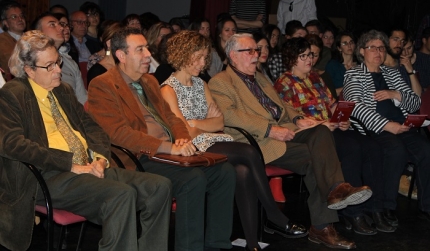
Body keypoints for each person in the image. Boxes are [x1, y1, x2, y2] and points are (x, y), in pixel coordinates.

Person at [0, 30, 172, 251]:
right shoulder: (13, 95)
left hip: (87, 166)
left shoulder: (63, 90)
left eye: (58, 62)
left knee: (159, 186)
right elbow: (11, 144)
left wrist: (100, 159)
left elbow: (94, 129)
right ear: (29, 70)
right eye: (49, 66)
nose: (58, 70)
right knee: (120, 195)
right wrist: (70, 164)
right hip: (47, 174)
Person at [208, 33, 372, 249]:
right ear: (232, 55)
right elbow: (229, 115)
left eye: (256, 50)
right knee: (317, 159)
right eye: (250, 51)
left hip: (287, 129)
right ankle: (323, 226)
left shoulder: (260, 77)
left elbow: (280, 105)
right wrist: (269, 129)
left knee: (321, 133)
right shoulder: (221, 81)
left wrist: (297, 118)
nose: (256, 55)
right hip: (259, 141)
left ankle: (337, 189)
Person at [87, 27, 236, 251]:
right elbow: (118, 134)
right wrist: (168, 147)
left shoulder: (149, 81)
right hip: (139, 156)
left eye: (147, 47)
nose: (148, 54)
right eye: (140, 49)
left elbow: (172, 118)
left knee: (224, 173)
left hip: (167, 152)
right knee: (192, 179)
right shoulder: (103, 85)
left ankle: (218, 245)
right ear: (121, 55)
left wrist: (183, 140)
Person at [160, 30, 307, 251]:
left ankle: (252, 243)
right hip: (193, 147)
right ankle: (273, 214)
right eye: (199, 57)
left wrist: (196, 123)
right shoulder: (168, 89)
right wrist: (200, 124)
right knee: (249, 151)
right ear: (183, 55)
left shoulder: (201, 84)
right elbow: (184, 132)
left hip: (214, 139)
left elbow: (219, 122)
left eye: (205, 57)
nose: (203, 63)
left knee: (243, 172)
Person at [274, 37, 394, 235]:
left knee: (372, 146)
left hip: (332, 126)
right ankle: (353, 213)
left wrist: (341, 117)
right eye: (302, 56)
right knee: (351, 148)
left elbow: (330, 103)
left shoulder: (315, 77)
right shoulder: (283, 83)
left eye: (310, 55)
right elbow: (291, 118)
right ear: (290, 59)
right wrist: (325, 124)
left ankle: (376, 208)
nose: (309, 60)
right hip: (314, 133)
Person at [343, 29, 430, 226]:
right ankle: (386, 205)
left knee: (426, 150)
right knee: (396, 150)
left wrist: (395, 95)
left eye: (382, 48)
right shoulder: (353, 74)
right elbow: (356, 107)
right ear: (362, 51)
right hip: (374, 129)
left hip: (402, 125)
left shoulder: (392, 73)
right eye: (372, 48)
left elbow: (415, 102)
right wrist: (386, 125)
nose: (378, 52)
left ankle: (427, 207)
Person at [32, 12, 88, 105]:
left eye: (60, 25)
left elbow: (82, 99)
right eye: (52, 25)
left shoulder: (70, 62)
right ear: (39, 32)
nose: (61, 28)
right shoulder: (32, 61)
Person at [383, 28, 421, 96]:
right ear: (386, 40)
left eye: (402, 41)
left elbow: (418, 95)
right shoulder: (376, 66)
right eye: (395, 39)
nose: (399, 44)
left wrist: (411, 71)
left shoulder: (403, 66)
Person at [325, 32, 358, 97]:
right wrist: (349, 87)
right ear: (339, 48)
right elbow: (327, 92)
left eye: (351, 42)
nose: (349, 45)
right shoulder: (332, 65)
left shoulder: (360, 66)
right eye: (345, 43)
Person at [0, 1, 26, 79]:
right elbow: (12, 63)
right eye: (14, 17)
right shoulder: (2, 40)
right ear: (6, 23)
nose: (20, 19)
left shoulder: (32, 37)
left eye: (21, 16)